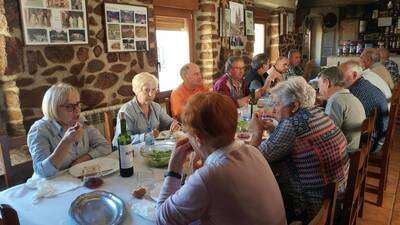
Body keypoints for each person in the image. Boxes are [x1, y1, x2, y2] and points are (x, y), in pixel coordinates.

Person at [156, 92, 287, 225]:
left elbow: (162, 219)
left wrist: (173, 170)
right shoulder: (253, 151)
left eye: (188, 134)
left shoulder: (209, 177)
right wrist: (201, 169)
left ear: (197, 139)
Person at [249, 77, 349, 224]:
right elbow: (299, 141)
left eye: (277, 104)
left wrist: (257, 132)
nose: (274, 109)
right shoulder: (317, 112)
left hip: (313, 205)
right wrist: (275, 129)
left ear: (294, 106)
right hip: (336, 195)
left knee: (258, 194)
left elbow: (253, 160)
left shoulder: (292, 125)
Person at [27, 83, 111, 178]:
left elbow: (105, 146)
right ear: (53, 108)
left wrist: (80, 161)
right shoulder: (39, 130)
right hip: (50, 186)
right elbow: (42, 172)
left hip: (78, 179)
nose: (77, 110)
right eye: (69, 106)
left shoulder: (80, 120)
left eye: (78, 104)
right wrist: (66, 142)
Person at [112, 72, 179, 146]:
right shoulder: (126, 111)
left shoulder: (156, 107)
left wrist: (175, 125)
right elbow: (120, 141)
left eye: (153, 90)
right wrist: (145, 136)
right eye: (146, 90)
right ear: (136, 90)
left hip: (153, 149)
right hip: (132, 153)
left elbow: (170, 123)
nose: (151, 94)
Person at [340, 60, 389, 152]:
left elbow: (344, 121)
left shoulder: (355, 93)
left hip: (371, 143)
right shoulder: (364, 85)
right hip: (379, 138)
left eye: (341, 76)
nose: (339, 79)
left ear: (354, 75)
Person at [318, 66, 366, 151]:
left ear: (327, 82)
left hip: (345, 153)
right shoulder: (351, 97)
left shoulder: (335, 101)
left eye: (319, 85)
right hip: (355, 148)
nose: (319, 91)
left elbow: (330, 136)